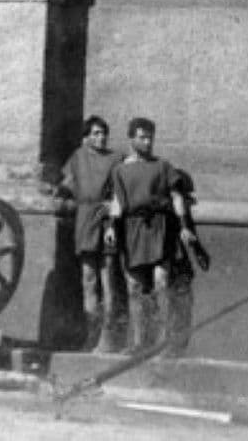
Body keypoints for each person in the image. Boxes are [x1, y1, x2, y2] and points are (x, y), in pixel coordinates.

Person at [105, 117, 198, 355]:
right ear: (131, 139)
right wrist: (111, 227)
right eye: (142, 138)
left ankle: (162, 340)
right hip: (132, 229)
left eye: (150, 138)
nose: (147, 142)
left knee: (161, 282)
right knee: (134, 286)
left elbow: (177, 197)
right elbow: (117, 201)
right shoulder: (120, 170)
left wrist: (184, 226)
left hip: (159, 227)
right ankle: (138, 342)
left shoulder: (163, 166)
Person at [58, 116, 126, 353]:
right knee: (88, 279)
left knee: (108, 279)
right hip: (85, 220)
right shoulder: (78, 157)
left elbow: (121, 190)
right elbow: (66, 184)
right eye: (96, 133)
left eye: (104, 133)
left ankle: (108, 338)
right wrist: (61, 197)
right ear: (86, 137)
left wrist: (113, 212)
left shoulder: (116, 158)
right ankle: (91, 334)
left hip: (106, 220)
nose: (101, 137)